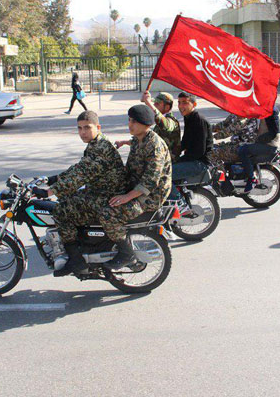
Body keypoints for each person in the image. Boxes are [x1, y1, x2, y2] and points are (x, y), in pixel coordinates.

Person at [32, 110, 127, 276]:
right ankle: (80, 246)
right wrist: (53, 179)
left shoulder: (101, 148)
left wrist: (49, 192)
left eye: (87, 127)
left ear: (98, 127)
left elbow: (81, 176)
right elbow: (79, 168)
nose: (83, 132)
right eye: (79, 128)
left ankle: (76, 261)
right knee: (66, 199)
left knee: (61, 211)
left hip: (106, 196)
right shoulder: (95, 144)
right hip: (99, 191)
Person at [103, 104, 172, 270]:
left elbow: (150, 181)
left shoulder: (155, 146)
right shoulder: (139, 139)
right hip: (135, 186)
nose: (130, 124)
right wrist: (123, 142)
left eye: (134, 121)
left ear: (145, 124)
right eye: (129, 120)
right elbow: (133, 142)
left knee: (108, 213)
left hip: (151, 196)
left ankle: (126, 253)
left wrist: (126, 197)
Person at [115, 91, 182, 162]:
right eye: (154, 103)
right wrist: (123, 142)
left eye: (157, 104)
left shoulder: (172, 122)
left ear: (167, 107)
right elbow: (145, 141)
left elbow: (165, 125)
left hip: (170, 163)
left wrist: (148, 102)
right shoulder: (158, 123)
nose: (154, 105)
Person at [169, 92, 213, 199]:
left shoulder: (199, 121)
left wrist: (181, 159)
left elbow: (199, 151)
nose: (181, 106)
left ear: (194, 104)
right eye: (179, 103)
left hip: (199, 163)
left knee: (164, 175)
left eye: (185, 103)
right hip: (192, 160)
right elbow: (184, 142)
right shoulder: (189, 118)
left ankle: (179, 202)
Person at [237, 104, 280, 193]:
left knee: (243, 150)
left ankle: (251, 179)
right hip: (265, 143)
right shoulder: (267, 109)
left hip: (269, 145)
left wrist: (259, 140)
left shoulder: (271, 111)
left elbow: (274, 132)